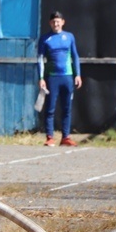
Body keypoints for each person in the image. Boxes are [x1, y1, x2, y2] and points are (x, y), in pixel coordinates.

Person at [37, 11, 81, 147]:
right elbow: (39, 59)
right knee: (50, 108)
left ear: (63, 22)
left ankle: (66, 137)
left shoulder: (69, 37)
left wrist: (77, 74)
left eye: (58, 21)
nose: (56, 24)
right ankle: (50, 137)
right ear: (50, 23)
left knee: (66, 108)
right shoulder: (45, 39)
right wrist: (41, 77)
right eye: (53, 22)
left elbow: (75, 56)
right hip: (52, 78)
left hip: (67, 77)